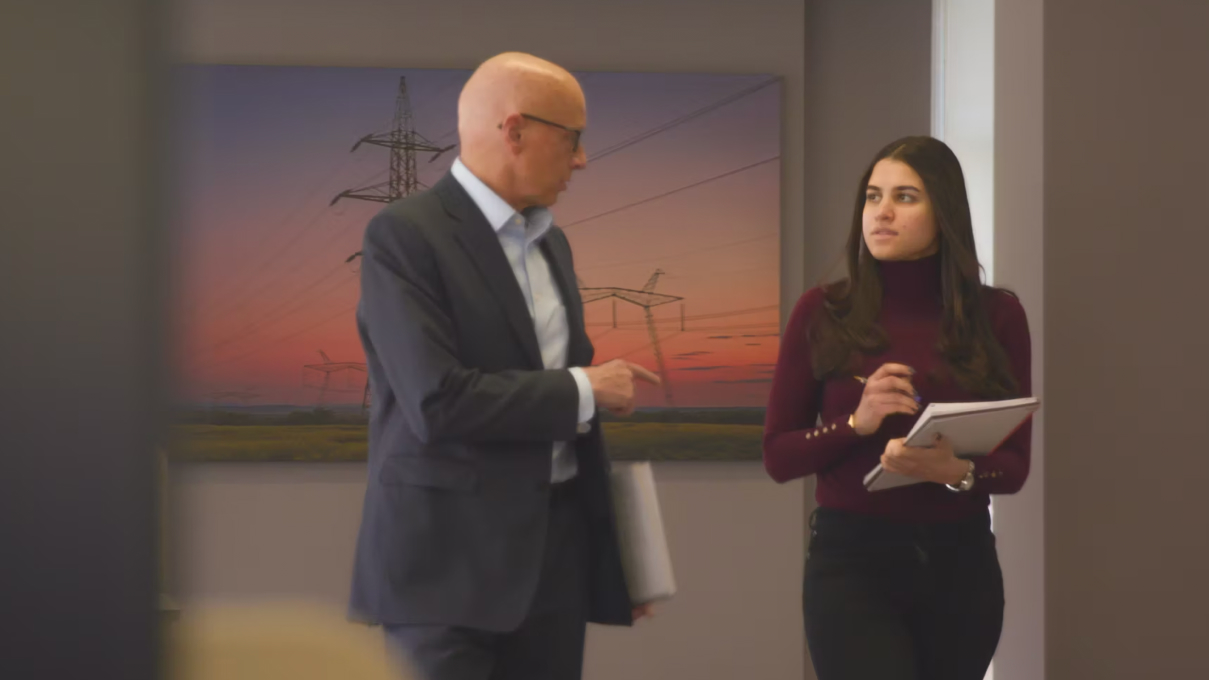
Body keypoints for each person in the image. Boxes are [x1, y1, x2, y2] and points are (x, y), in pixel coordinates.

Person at [348, 52, 659, 680]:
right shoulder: (403, 235)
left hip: (554, 567)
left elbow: (567, 429)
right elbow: (437, 401)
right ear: (514, 131)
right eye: (572, 138)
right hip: (444, 576)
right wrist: (584, 388)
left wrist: (615, 559)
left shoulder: (553, 242)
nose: (582, 159)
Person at [763, 135, 1032, 680]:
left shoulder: (997, 315)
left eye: (905, 197)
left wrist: (954, 471)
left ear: (944, 212)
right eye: (872, 196)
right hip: (851, 565)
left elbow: (1014, 467)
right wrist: (855, 424)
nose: (881, 212)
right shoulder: (822, 311)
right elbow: (778, 456)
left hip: (962, 567)